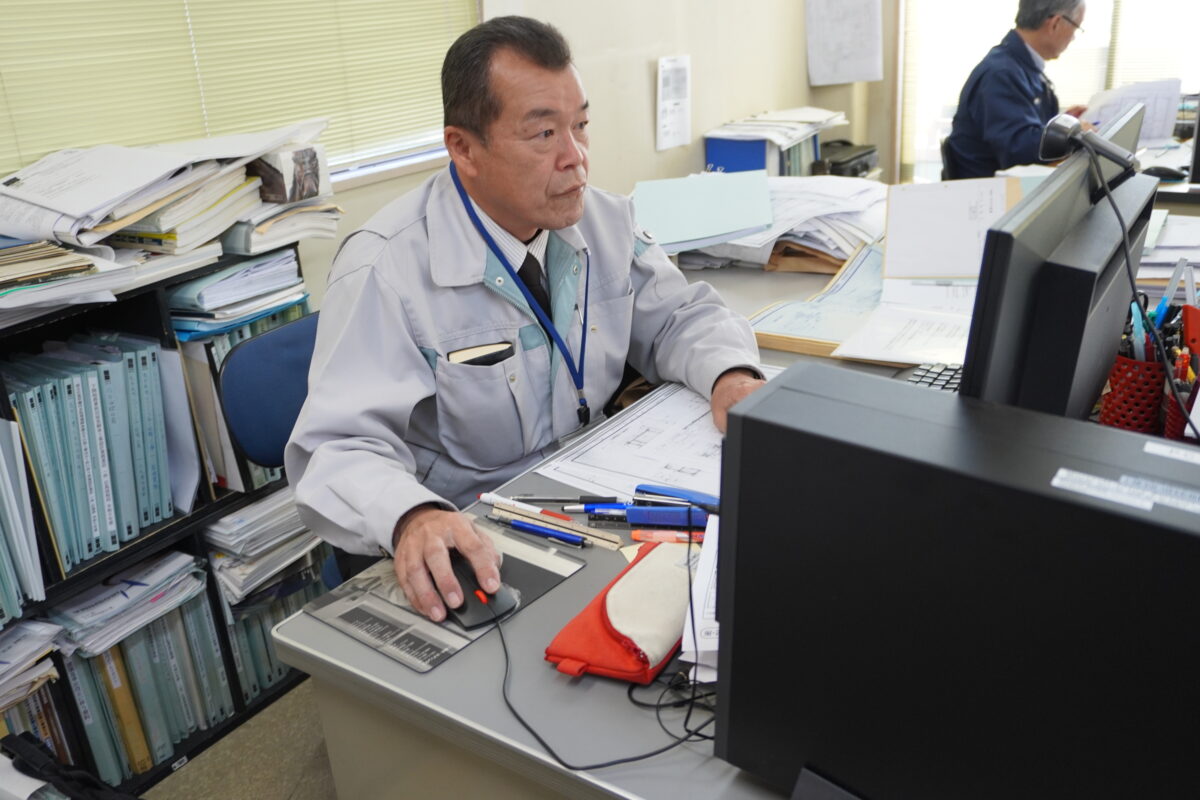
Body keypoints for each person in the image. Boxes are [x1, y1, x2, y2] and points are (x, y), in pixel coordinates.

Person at [285, 16, 765, 623]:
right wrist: (413, 515)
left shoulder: (603, 220)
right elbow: (336, 446)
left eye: (580, 125)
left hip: (599, 503)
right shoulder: (386, 268)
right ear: (464, 148)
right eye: (544, 134)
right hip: (479, 536)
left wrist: (731, 375)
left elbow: (678, 316)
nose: (576, 158)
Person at [944, 0, 1088, 179]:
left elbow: (1023, 127)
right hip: (993, 190)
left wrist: (1059, 127)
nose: (1073, 38)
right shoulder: (1001, 73)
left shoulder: (1018, 67)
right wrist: (1071, 135)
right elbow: (1020, 151)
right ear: (1055, 23)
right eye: (1076, 28)